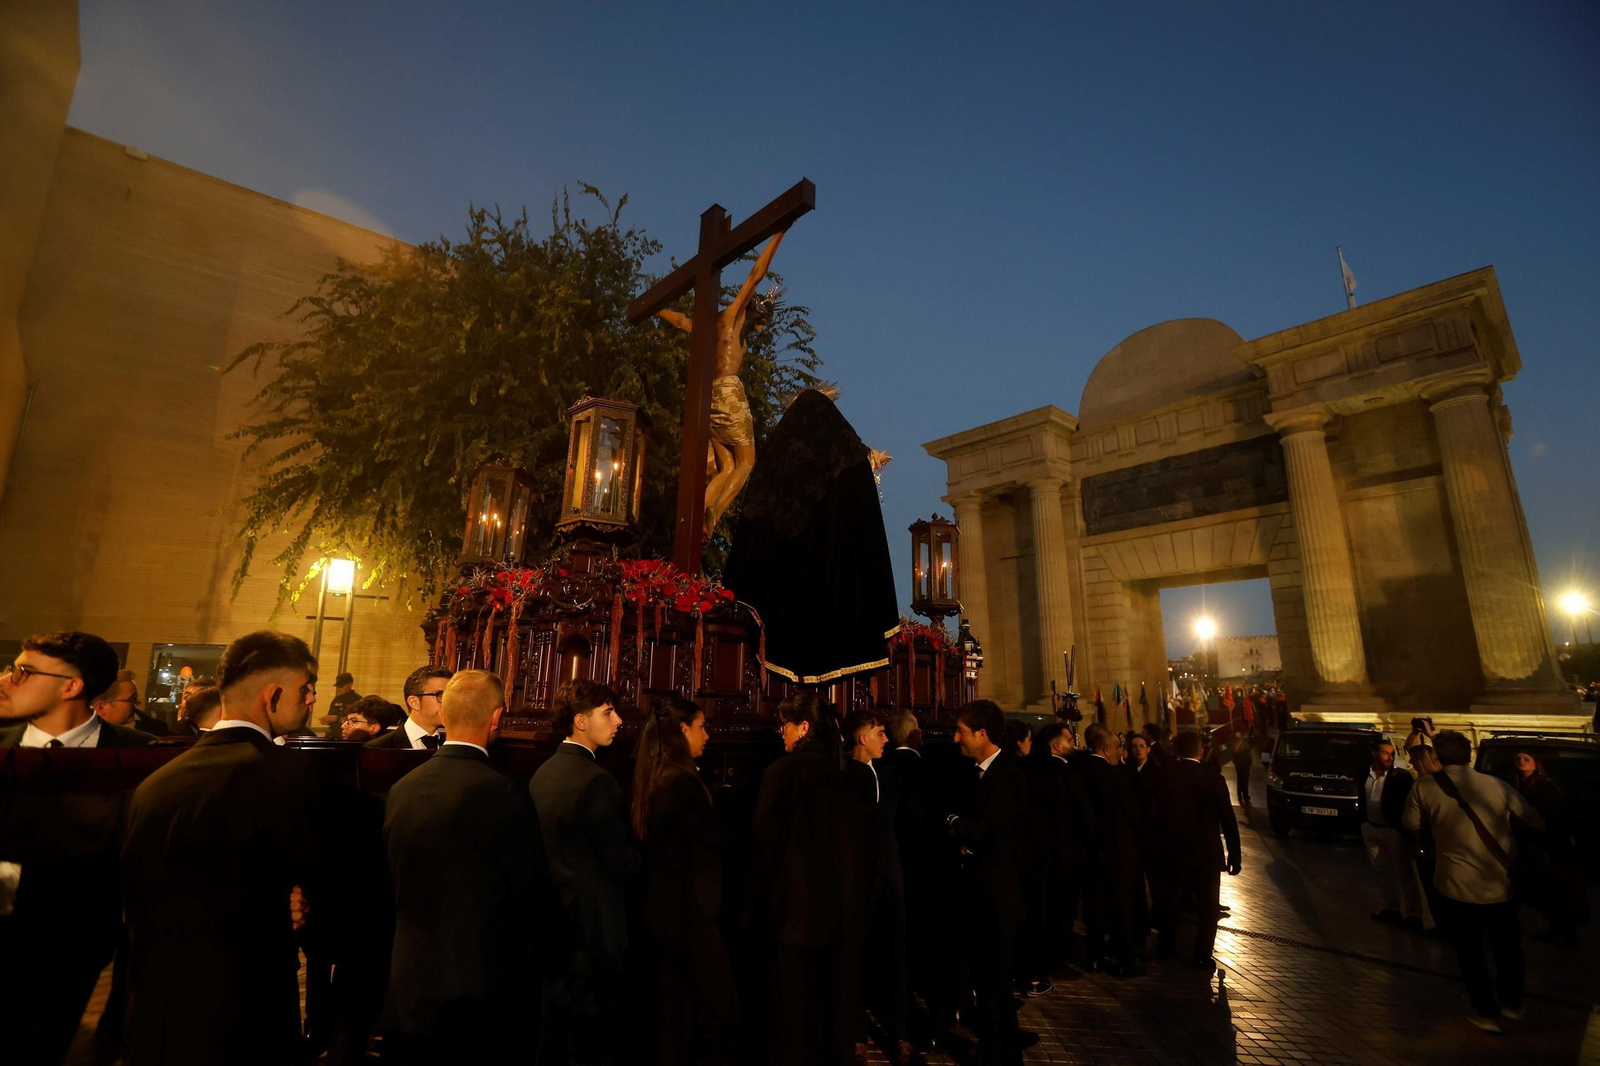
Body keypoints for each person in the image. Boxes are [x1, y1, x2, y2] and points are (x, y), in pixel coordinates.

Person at [120, 630, 320, 1066]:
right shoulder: (289, 777)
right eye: (306, 689)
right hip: (245, 1007)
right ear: (273, 695)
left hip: (157, 1005)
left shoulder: (158, 780)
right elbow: (319, 880)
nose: (311, 700)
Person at [0, 633, 150, 1066]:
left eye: (24, 672)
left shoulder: (138, 757)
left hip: (76, 947)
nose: (8, 680)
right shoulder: (0, 743)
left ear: (71, 686)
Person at [382, 670, 543, 1063]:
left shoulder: (402, 788)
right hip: (479, 991)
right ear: (496, 718)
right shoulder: (503, 791)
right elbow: (530, 894)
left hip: (409, 984)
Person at [744, 690, 863, 1066]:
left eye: (785, 725)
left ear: (804, 727)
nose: (781, 732)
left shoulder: (781, 773)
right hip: (843, 914)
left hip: (794, 916)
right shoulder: (855, 774)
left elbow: (764, 849)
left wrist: (749, 911)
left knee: (795, 1016)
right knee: (835, 1009)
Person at [1403, 731, 1545, 1034]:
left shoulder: (1424, 786)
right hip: (1500, 881)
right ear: (1469, 754)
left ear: (1438, 756)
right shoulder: (1496, 785)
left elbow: (1411, 823)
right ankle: (1512, 1003)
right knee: (1507, 947)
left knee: (1470, 951)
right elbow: (1534, 820)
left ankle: (1485, 1009)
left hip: (1456, 883)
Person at [529, 679, 640, 1065]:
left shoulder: (543, 772)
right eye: (608, 713)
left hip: (553, 924)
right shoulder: (596, 780)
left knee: (555, 1034)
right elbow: (622, 863)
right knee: (592, 1042)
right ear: (580, 721)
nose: (619, 720)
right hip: (593, 930)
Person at [656, 229, 786, 531]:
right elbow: (756, 275)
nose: (761, 329)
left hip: (707, 397)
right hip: (728, 391)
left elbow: (680, 321)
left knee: (725, 466)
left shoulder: (708, 324)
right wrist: (779, 233)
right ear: (757, 314)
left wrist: (657, 307)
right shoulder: (734, 317)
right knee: (747, 463)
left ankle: (699, 513)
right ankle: (714, 511)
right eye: (763, 322)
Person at [633, 696, 737, 1066]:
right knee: (719, 1012)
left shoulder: (657, 773)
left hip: (669, 913)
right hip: (689, 915)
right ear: (682, 730)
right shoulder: (679, 782)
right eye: (701, 727)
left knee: (677, 1017)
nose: (707, 735)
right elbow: (719, 840)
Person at [947, 701, 1035, 1064]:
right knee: (988, 982)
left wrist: (953, 824)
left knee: (996, 981)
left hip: (997, 897)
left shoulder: (1008, 776)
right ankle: (999, 1048)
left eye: (962, 732)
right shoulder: (979, 773)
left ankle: (1000, 1053)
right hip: (983, 894)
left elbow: (986, 832)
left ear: (982, 734)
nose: (956, 739)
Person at [845, 708, 911, 1065]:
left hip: (889, 878)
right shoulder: (843, 776)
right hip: (857, 881)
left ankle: (898, 1031)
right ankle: (856, 1034)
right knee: (855, 957)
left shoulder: (889, 775)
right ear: (862, 737)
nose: (886, 740)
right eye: (880, 733)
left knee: (895, 956)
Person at [1158, 730, 1241, 973]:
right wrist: (1234, 855)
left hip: (1173, 850)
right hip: (1207, 852)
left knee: (1171, 902)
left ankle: (1166, 946)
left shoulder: (1164, 776)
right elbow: (1228, 819)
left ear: (1176, 751)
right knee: (1208, 907)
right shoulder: (1213, 777)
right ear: (1200, 751)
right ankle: (1202, 955)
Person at [1081, 723, 1144, 977]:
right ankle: (1123, 959)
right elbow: (1132, 812)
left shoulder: (1080, 769)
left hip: (1091, 850)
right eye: (1118, 747)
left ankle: (1095, 955)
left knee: (1095, 905)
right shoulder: (1113, 775)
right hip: (1117, 851)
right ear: (1106, 750)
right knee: (1121, 907)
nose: (1122, 752)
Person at [1507, 750, 1590, 942]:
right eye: (1518, 759)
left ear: (1536, 763)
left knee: (1554, 888)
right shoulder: (1512, 785)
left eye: (1526, 759)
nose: (1521, 762)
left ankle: (1565, 929)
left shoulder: (1546, 787)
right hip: (1525, 841)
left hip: (1548, 842)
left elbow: (1553, 815)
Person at [1009, 719, 1054, 998]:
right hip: (1031, 856)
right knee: (1033, 917)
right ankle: (1032, 976)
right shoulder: (1033, 773)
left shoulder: (1010, 771)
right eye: (1027, 740)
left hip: (1016, 856)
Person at [1361, 737, 1421, 928]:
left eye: (1392, 753)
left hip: (1391, 830)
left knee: (1403, 872)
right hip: (1371, 827)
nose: (1390, 757)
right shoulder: (1365, 773)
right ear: (1375, 754)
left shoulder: (1400, 777)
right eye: (1385, 753)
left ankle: (1413, 914)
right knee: (1381, 870)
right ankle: (1392, 908)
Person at [1124, 732, 1168, 943]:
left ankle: (1158, 919)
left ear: (1149, 749)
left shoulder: (1157, 772)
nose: (1138, 749)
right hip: (1134, 833)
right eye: (1134, 746)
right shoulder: (1127, 771)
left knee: (1156, 880)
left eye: (1142, 745)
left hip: (1152, 835)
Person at [367, 666, 448, 749]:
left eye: (451, 696)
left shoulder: (453, 747)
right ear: (414, 702)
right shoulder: (379, 748)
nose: (449, 703)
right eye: (441, 695)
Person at [93, 671, 171, 736]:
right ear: (101, 707)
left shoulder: (155, 731)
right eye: (131, 699)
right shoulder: (87, 742)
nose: (138, 703)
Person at [323, 671, 362, 737]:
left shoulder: (357, 700)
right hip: (334, 734)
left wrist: (338, 719)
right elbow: (331, 714)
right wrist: (327, 720)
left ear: (350, 684)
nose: (339, 688)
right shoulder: (337, 699)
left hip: (348, 736)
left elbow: (359, 721)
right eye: (338, 686)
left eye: (341, 686)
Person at [1230, 732, 1254, 808]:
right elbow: (1248, 754)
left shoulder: (1233, 742)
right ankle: (1245, 795)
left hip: (1237, 763)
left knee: (1239, 778)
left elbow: (1233, 752)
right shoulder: (1244, 743)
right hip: (1244, 763)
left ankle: (1239, 794)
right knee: (1245, 779)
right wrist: (1250, 762)